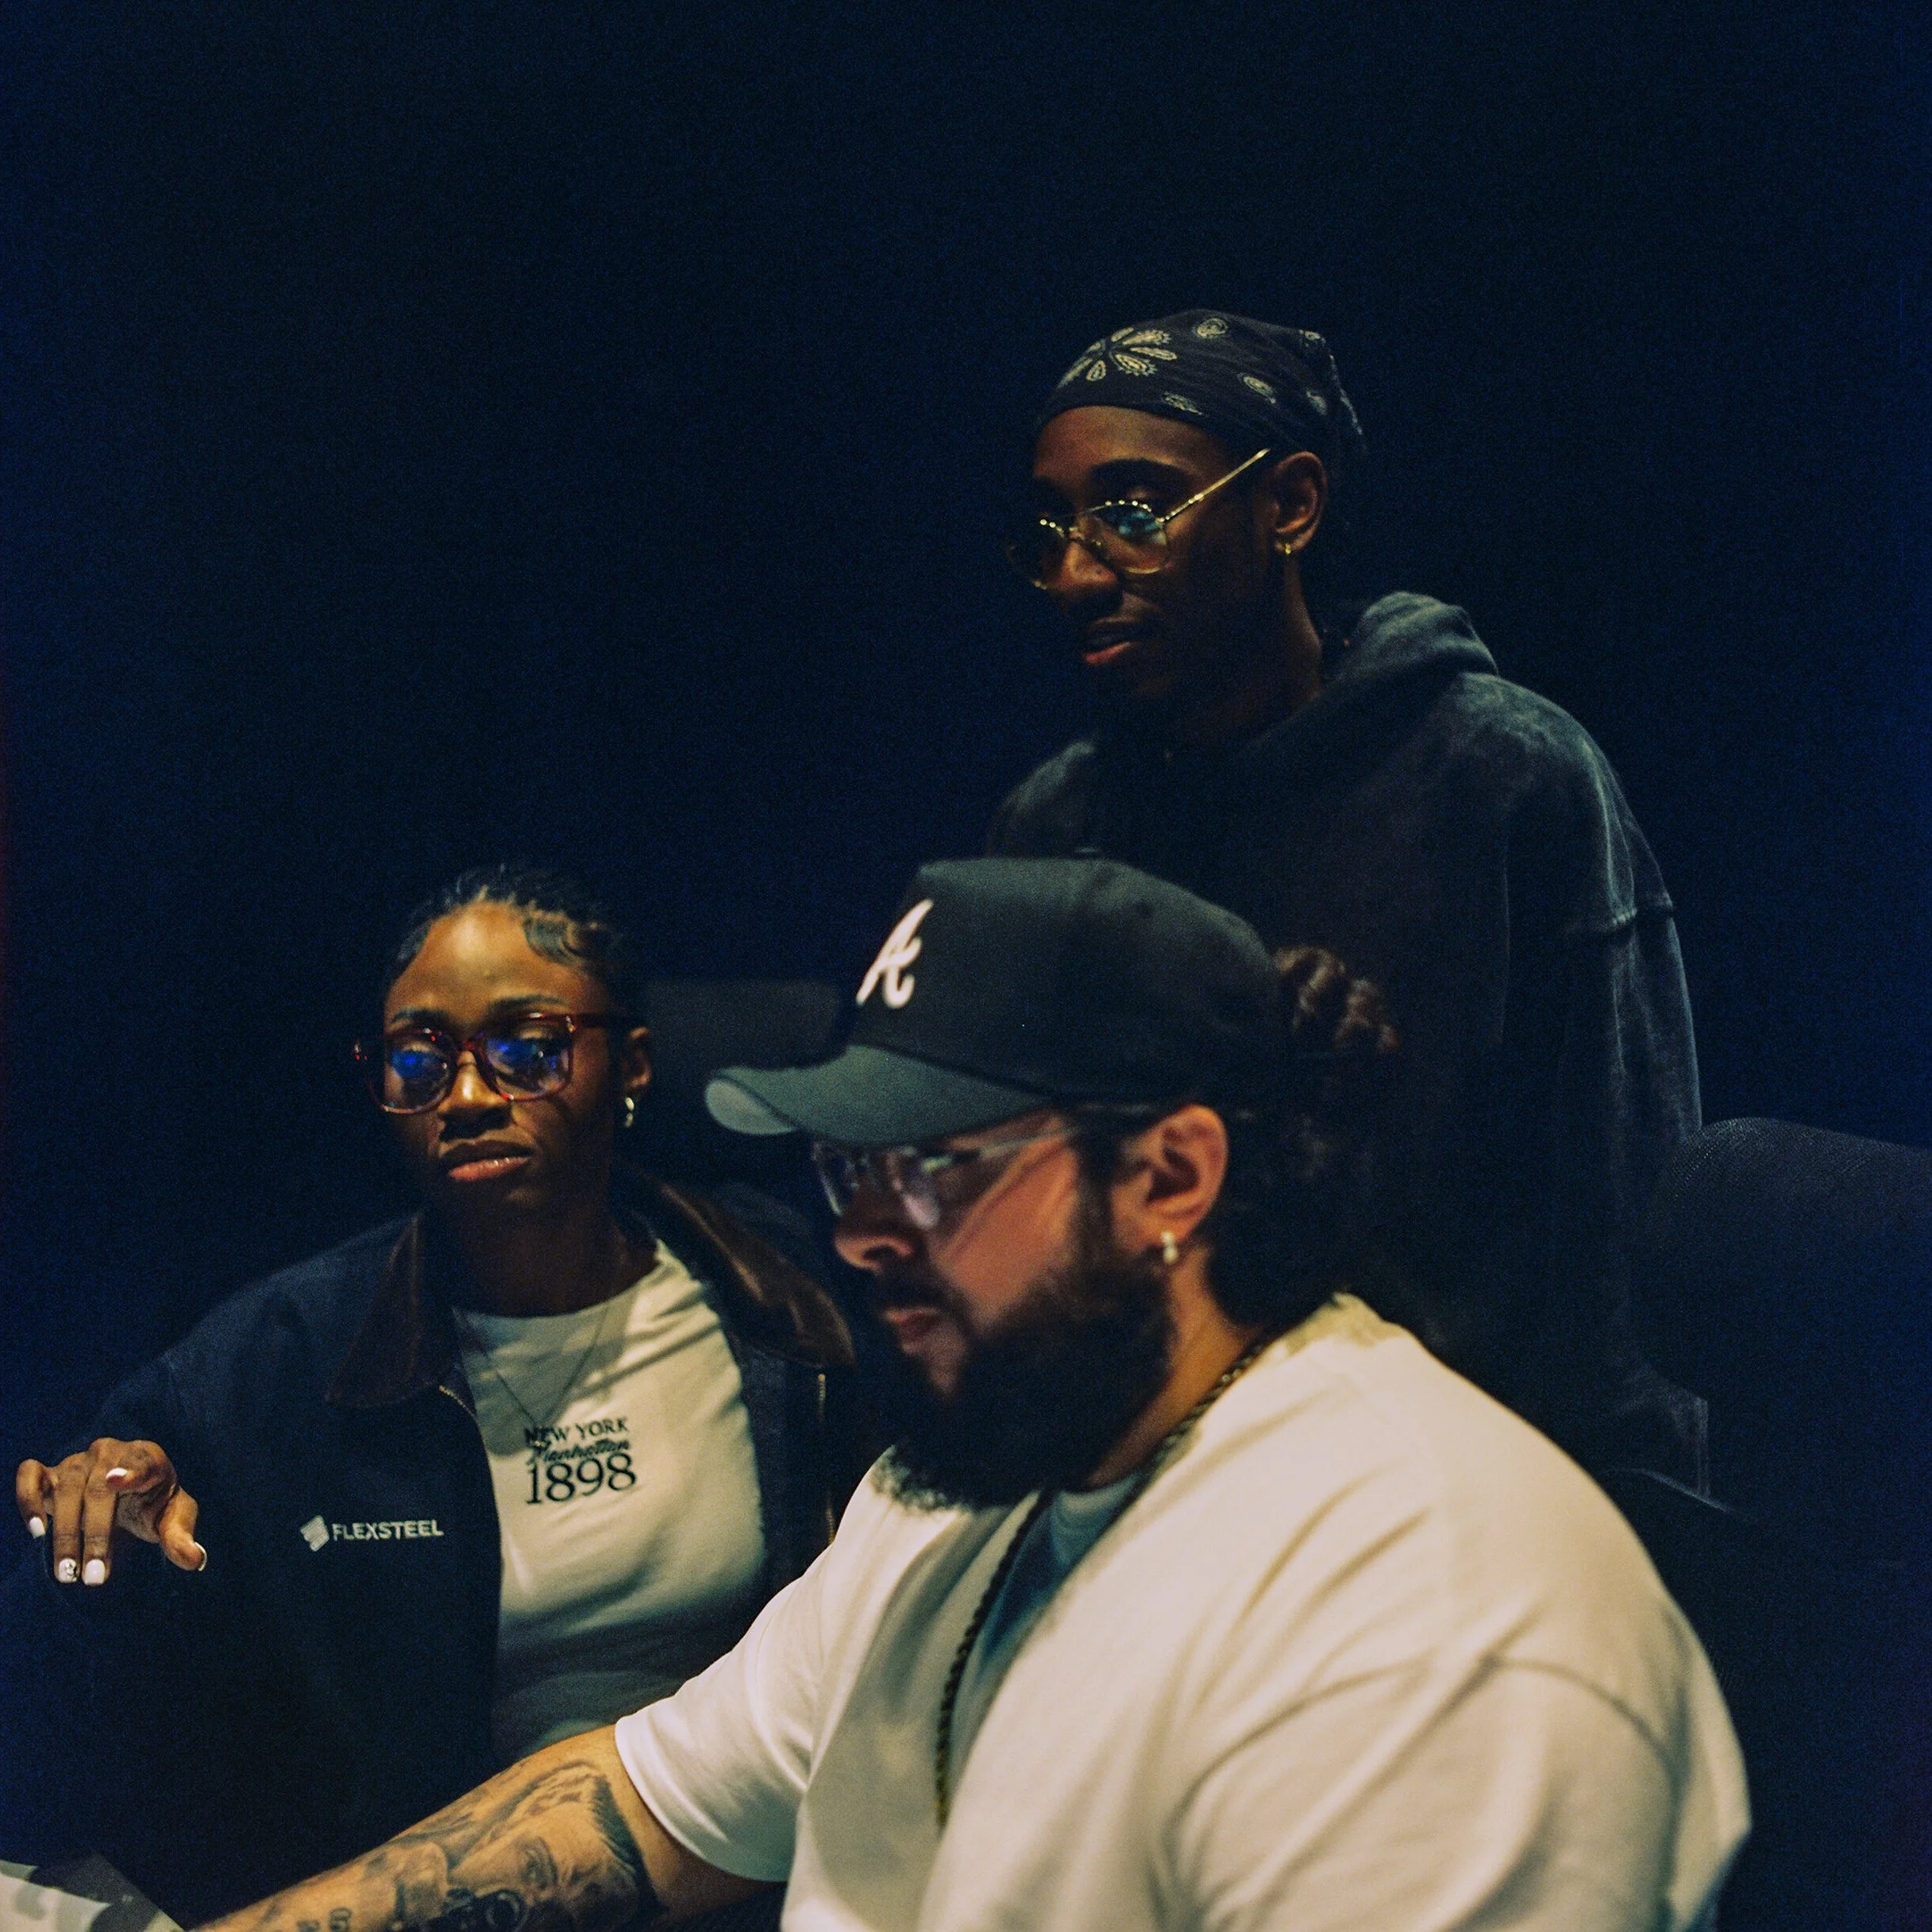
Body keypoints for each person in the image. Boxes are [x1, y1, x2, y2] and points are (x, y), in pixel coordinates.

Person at [196, 858, 1748, 1932]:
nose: (866, 1233)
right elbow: (636, 1805)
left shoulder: (1437, 1624)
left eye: (937, 1170)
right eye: (846, 1168)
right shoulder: (960, 1490)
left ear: (1173, 1174)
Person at [4, 866, 862, 1926]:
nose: (464, 1097)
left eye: (527, 1049)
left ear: (630, 1063)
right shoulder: (276, 1365)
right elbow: (50, 1752)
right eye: (419, 1060)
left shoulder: (788, 1301)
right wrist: (98, 1571)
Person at [988, 311, 1703, 1475]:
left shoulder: (1499, 778)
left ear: (1290, 507)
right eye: (1054, 527)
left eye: (1133, 511)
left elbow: (1625, 1220)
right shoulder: (1055, 825)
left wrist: (1621, 1526)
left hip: (1454, 1489)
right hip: (1149, 1480)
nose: (1076, 571)